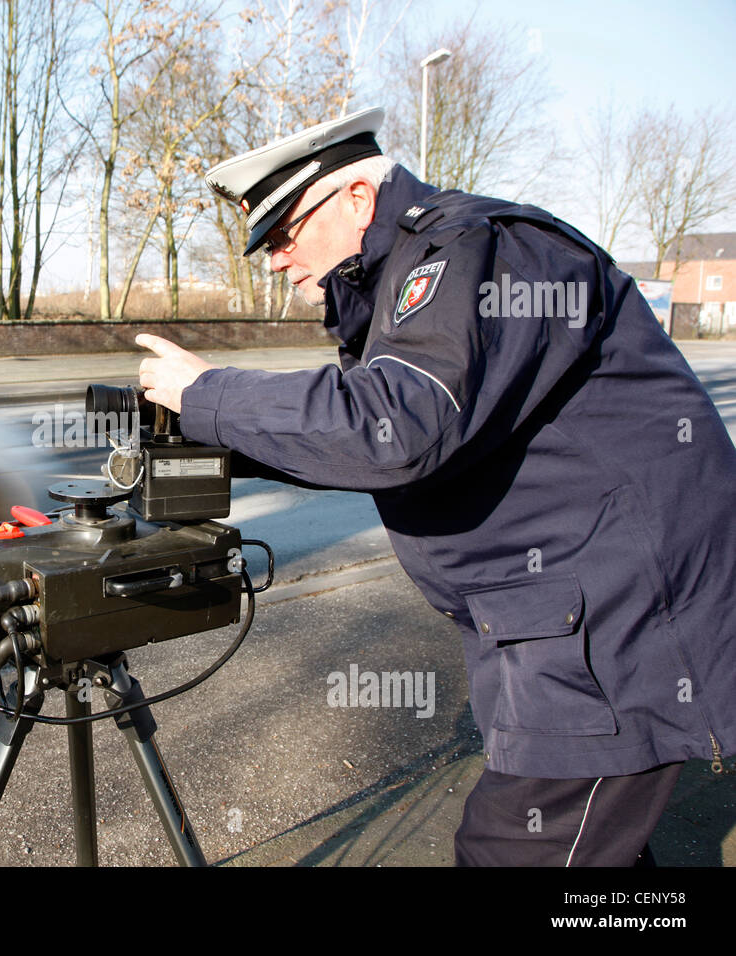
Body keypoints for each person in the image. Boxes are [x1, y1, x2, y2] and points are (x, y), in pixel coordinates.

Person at [135, 107, 736, 866]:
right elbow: (385, 444)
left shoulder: (478, 249)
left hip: (621, 624)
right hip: (554, 617)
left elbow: (401, 424)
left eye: (285, 230)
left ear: (356, 196)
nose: (277, 257)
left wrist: (213, 394)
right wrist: (207, 435)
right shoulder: (399, 282)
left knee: (515, 851)